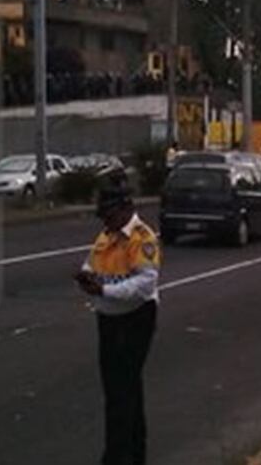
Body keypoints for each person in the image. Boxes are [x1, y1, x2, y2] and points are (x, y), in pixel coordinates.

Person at [75, 185, 161, 465]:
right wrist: (86, 277)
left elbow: (144, 285)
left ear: (126, 209)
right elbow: (91, 264)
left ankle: (116, 457)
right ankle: (135, 455)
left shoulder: (142, 238)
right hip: (108, 320)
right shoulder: (106, 236)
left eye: (109, 215)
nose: (105, 221)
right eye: (103, 216)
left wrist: (104, 291)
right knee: (124, 389)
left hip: (135, 318)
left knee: (120, 394)